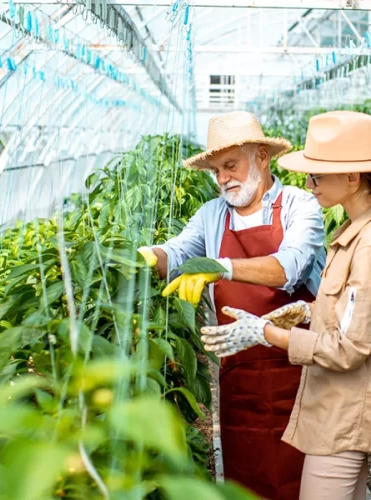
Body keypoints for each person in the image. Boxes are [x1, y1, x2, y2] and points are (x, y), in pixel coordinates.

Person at [138, 111, 326, 500]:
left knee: (303, 481)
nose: (223, 178)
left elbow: (288, 267)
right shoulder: (212, 216)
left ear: (262, 156)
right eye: (216, 170)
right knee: (246, 479)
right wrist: (141, 257)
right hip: (240, 379)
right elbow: (176, 253)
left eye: (230, 165)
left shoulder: (297, 204)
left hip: (300, 371)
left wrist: (219, 267)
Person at [201, 110, 371, 500]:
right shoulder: (348, 233)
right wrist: (308, 313)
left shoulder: (364, 242)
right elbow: (353, 315)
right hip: (326, 400)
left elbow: (349, 347)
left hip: (341, 411)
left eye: (318, 174)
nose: (309, 183)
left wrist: (265, 331)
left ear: (353, 176)